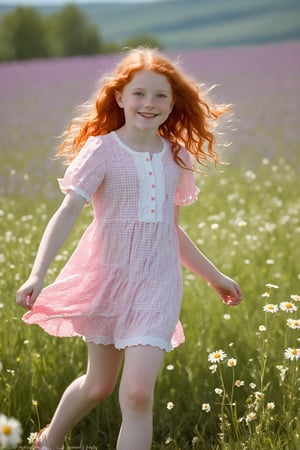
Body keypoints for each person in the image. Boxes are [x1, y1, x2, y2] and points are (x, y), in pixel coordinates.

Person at [16, 47, 242, 450]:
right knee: (99, 385)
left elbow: (170, 230)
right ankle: (49, 441)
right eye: (139, 93)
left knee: (137, 393)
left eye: (160, 96)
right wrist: (38, 273)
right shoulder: (102, 150)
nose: (149, 104)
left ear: (173, 104)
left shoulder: (177, 157)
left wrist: (216, 276)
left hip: (157, 284)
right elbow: (68, 211)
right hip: (106, 278)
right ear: (119, 96)